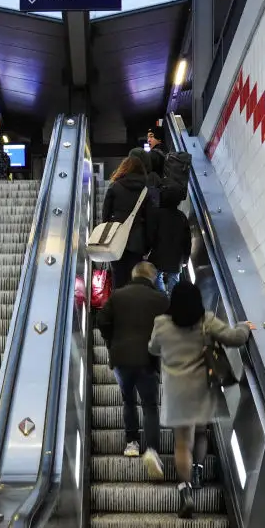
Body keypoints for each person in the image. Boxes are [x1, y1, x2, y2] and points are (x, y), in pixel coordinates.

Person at [148, 282, 255, 518]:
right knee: (201, 433)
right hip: (202, 389)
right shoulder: (206, 320)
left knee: (181, 444)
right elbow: (234, 337)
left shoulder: (161, 324)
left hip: (177, 392)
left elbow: (153, 348)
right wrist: (244, 327)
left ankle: (185, 491)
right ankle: (198, 471)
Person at [96, 261, 169, 477]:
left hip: (121, 358)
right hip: (148, 358)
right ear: (153, 277)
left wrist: (112, 342)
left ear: (133, 274)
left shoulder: (118, 296)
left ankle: (131, 443)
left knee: (128, 400)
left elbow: (102, 320)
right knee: (150, 405)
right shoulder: (161, 300)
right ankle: (153, 451)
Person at [102, 155, 157, 289]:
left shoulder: (114, 187)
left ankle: (118, 305)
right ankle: (133, 306)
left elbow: (105, 215)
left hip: (115, 240)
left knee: (118, 277)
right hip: (137, 242)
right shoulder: (146, 191)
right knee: (135, 278)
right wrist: (148, 245)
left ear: (124, 168)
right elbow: (151, 221)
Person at [148, 189, 191, 294]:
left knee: (156, 276)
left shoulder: (157, 214)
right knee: (174, 280)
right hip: (177, 256)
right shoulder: (182, 216)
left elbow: (151, 233)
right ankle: (173, 303)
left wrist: (148, 248)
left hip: (159, 253)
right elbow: (187, 240)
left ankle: (162, 298)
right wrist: (186, 258)